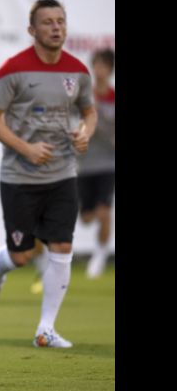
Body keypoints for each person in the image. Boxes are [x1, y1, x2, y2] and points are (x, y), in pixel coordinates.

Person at [0, 0, 97, 349]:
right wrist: (25, 148)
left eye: (61, 21)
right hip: (19, 178)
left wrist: (85, 133)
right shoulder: (13, 70)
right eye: (48, 22)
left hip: (62, 175)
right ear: (32, 30)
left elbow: (88, 113)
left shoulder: (77, 71)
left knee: (62, 245)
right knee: (21, 255)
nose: (56, 27)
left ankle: (45, 329)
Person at [78, 48, 115, 278]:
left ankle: (100, 254)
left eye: (104, 66)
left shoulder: (113, 97)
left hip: (107, 164)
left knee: (104, 211)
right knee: (87, 217)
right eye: (96, 65)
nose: (99, 70)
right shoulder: (85, 97)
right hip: (84, 164)